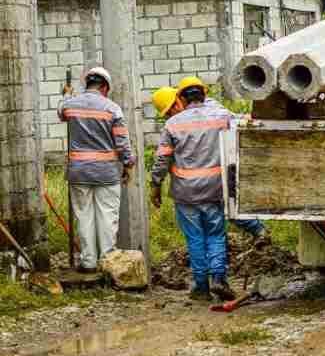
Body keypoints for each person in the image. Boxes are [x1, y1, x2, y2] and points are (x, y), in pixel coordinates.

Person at [150, 77, 266, 301]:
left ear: (181, 98)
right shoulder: (221, 116)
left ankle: (201, 287)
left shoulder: (172, 124)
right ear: (203, 94)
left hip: (185, 193)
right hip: (214, 189)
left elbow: (162, 159)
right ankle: (219, 279)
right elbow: (245, 124)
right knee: (215, 235)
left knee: (195, 238)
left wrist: (155, 185)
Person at [58, 65, 136, 272]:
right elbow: (122, 142)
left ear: (87, 84)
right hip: (106, 173)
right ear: (105, 87)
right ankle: (107, 261)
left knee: (84, 216)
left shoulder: (71, 105)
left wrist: (67, 96)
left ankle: (88, 262)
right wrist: (128, 164)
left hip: (79, 172)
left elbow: (61, 112)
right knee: (107, 216)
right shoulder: (112, 108)